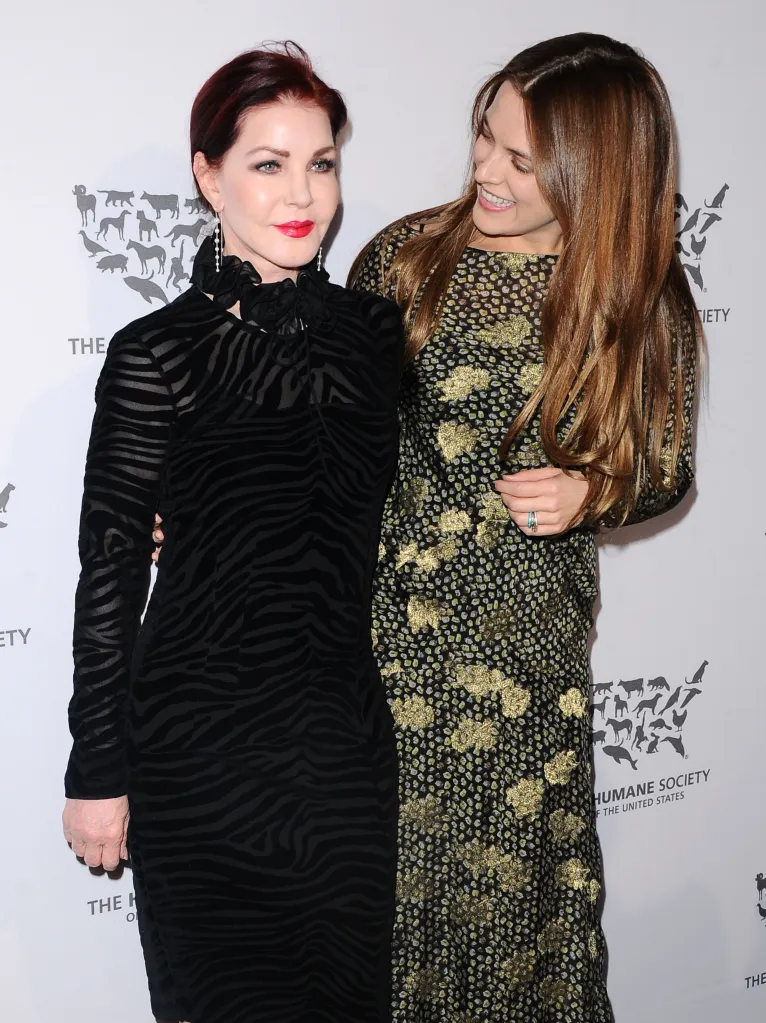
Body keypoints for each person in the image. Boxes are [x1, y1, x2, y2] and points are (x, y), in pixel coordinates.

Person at [345, 32, 700, 1022]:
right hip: (388, 654)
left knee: (515, 926)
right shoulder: (408, 260)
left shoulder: (639, 301)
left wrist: (595, 493)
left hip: (528, 669)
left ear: (597, 172)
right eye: (482, 137)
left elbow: (666, 466)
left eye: (519, 158)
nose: (484, 171)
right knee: (387, 918)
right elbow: (333, 443)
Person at [62, 44, 403, 1023]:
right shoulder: (155, 355)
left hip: (341, 750)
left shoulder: (376, 337)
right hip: (197, 754)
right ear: (207, 174)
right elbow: (110, 572)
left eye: (321, 161)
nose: (302, 192)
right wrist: (97, 769)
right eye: (267, 162)